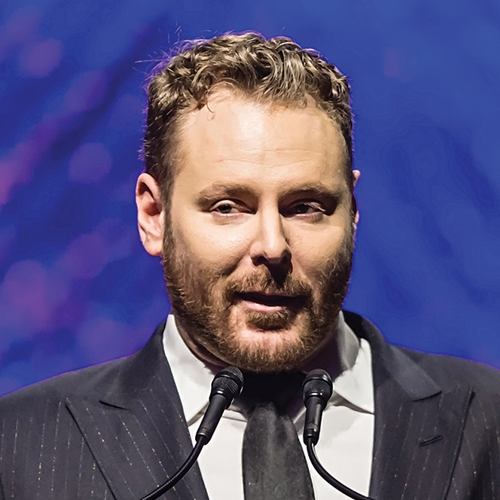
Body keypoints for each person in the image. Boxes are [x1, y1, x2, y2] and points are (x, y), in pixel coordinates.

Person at [0, 32, 499, 500]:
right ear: (153, 216)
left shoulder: (489, 419)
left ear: (352, 210)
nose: (273, 246)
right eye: (228, 207)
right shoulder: (20, 444)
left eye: (306, 207)